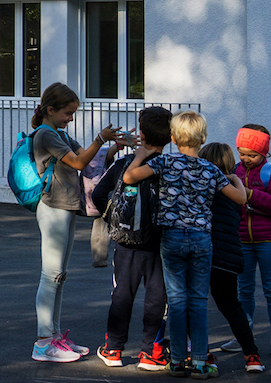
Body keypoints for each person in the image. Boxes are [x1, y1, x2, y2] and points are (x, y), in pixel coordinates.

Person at [122, 111, 226, 379]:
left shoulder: (166, 162)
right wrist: (235, 181)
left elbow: (129, 178)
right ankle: (201, 361)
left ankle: (178, 361)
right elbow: (238, 197)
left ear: (172, 137)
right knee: (199, 301)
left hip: (172, 238)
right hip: (202, 238)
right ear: (203, 138)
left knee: (178, 300)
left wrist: (139, 155)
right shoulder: (211, 168)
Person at [28, 82, 120, 363]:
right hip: (53, 208)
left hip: (65, 207)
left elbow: (91, 161)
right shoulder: (45, 135)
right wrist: (101, 139)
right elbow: (80, 163)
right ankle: (44, 342)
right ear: (51, 110)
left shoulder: (59, 133)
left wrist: (114, 146)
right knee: (50, 275)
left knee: (58, 276)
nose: (71, 118)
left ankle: (54, 337)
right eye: (68, 113)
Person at [89, 106, 172, 371]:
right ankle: (152, 352)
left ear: (142, 135)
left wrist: (113, 219)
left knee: (122, 293)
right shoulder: (171, 167)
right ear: (170, 138)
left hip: (126, 242)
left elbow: (99, 195)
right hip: (160, 243)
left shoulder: (125, 164)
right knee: (158, 296)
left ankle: (113, 348)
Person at [198, 142, 265, 374]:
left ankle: (201, 353)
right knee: (232, 306)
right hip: (229, 256)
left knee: (195, 304)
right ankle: (252, 354)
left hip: (205, 252)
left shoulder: (203, 185)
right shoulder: (236, 188)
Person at [231, 125, 271, 358]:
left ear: (264, 152)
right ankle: (243, 335)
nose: (245, 159)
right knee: (243, 289)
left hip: (269, 239)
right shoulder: (235, 170)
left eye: (251, 154)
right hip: (242, 239)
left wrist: (251, 195)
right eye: (242, 153)